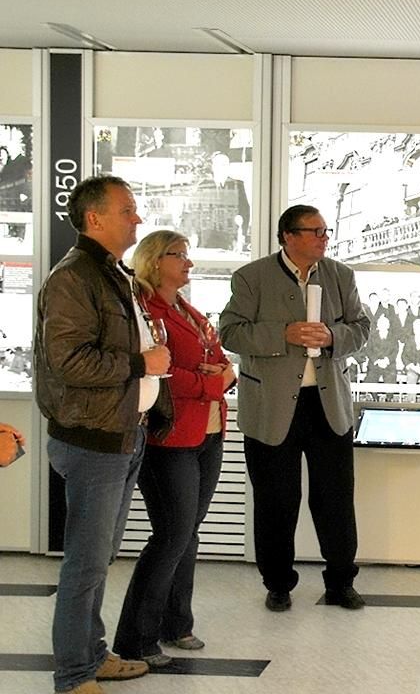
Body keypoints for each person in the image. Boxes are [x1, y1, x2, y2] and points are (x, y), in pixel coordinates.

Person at [34, 174, 173, 694]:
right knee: (85, 566)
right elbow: (70, 362)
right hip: (93, 440)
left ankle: (92, 655)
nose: (137, 218)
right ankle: (73, 675)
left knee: (99, 560)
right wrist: (142, 362)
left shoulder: (112, 273)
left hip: (123, 433)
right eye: (127, 210)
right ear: (95, 218)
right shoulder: (73, 277)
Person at [219, 205, 371, 612]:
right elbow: (230, 332)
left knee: (336, 499)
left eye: (326, 230)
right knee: (276, 501)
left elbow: (361, 328)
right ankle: (278, 583)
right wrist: (282, 334)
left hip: (327, 406)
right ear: (288, 236)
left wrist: (333, 336)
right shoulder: (252, 277)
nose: (324, 237)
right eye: (315, 231)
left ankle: (341, 581)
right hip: (270, 407)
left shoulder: (341, 275)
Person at [112, 231, 235, 668]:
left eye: (188, 254)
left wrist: (221, 374)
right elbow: (161, 371)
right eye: (178, 255)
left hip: (209, 429)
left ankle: (176, 623)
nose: (189, 263)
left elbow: (220, 361)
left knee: (187, 533)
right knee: (172, 535)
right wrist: (208, 380)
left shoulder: (187, 309)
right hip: (172, 435)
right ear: (153, 259)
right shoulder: (146, 309)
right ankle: (135, 639)